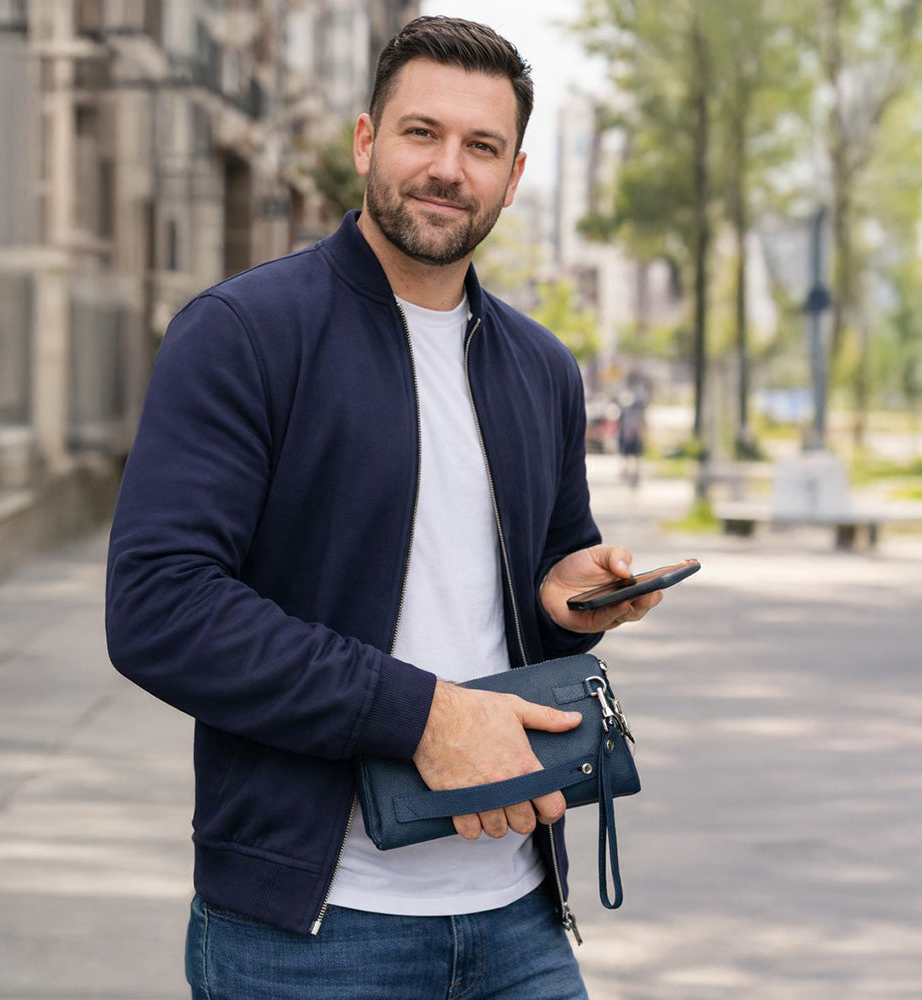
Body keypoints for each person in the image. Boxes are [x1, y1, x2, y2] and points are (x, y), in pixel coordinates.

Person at [106, 16, 662, 1000]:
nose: (448, 168)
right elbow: (161, 608)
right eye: (421, 133)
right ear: (367, 142)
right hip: (310, 933)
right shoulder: (241, 335)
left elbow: (530, 589)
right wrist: (420, 716)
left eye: (480, 147)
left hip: (520, 917)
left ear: (513, 173)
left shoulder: (541, 367)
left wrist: (567, 599)